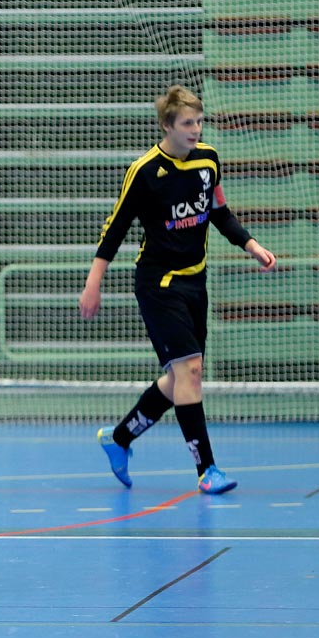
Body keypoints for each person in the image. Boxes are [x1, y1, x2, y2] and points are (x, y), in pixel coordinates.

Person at [80, 84, 277, 495]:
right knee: (190, 373)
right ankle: (206, 470)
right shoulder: (144, 172)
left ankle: (118, 440)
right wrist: (93, 284)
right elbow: (113, 230)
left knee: (179, 380)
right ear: (167, 126)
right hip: (158, 285)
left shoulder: (208, 160)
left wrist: (251, 244)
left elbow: (219, 212)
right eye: (188, 123)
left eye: (200, 121)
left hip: (195, 280)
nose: (196, 129)